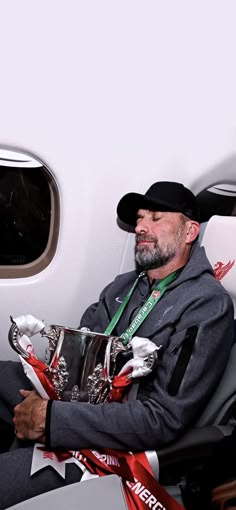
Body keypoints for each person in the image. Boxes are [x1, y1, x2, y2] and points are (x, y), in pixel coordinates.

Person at [0, 180, 234, 509]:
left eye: (155, 217)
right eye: (139, 218)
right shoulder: (124, 286)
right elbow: (79, 351)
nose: (140, 226)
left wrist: (52, 420)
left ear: (189, 231)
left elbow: (162, 418)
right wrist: (48, 385)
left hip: (116, 441)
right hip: (81, 402)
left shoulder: (206, 305)